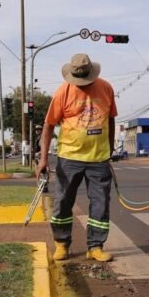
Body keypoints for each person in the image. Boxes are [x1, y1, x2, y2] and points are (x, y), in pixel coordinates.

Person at [37, 53, 117, 262]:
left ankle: (95, 246)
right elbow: (48, 125)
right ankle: (62, 244)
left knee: (100, 203)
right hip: (69, 157)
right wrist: (43, 159)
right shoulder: (62, 92)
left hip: (98, 159)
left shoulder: (106, 88)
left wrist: (109, 149)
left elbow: (111, 119)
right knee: (63, 201)